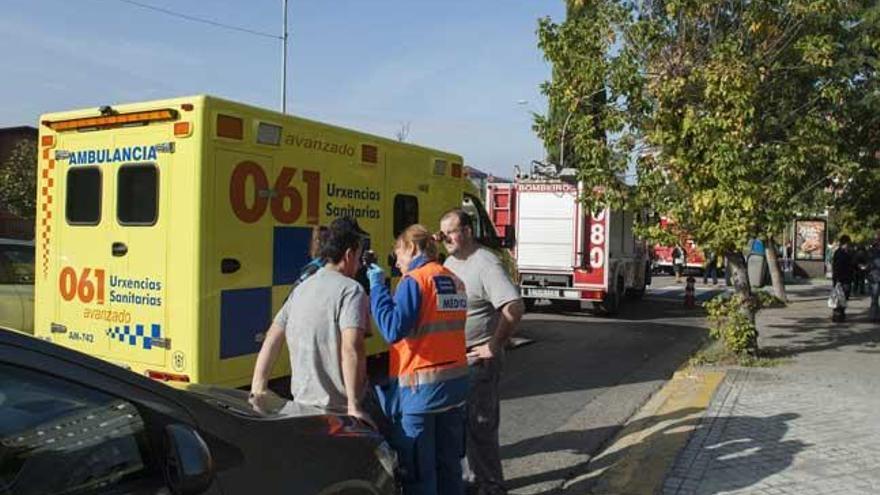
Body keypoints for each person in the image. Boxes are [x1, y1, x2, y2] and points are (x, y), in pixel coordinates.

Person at [366, 224, 470, 495]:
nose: (397, 262)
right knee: (449, 466)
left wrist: (377, 287)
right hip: (455, 389)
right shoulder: (453, 280)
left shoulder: (414, 280)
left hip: (420, 393)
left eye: (398, 253)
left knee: (419, 473)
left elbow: (392, 328)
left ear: (412, 248)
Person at [250, 217, 372, 423]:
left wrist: (257, 388)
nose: (360, 265)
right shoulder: (351, 290)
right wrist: (354, 406)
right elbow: (352, 347)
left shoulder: (301, 288)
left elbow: (272, 338)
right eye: (359, 257)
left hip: (302, 406)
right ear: (349, 254)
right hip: (338, 410)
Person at [439, 209, 524, 495]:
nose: (445, 238)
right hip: (454, 359)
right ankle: (472, 483)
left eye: (451, 231)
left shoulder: (486, 263)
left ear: (467, 231)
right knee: (460, 429)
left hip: (479, 361)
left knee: (480, 428)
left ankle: (492, 487)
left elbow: (514, 308)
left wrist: (494, 344)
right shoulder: (450, 262)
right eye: (442, 233)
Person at [831, 235, 854, 322]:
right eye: (848, 243)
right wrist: (837, 280)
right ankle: (838, 316)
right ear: (845, 243)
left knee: (843, 297)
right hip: (841, 279)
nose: (849, 245)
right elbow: (837, 267)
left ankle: (840, 315)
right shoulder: (840, 253)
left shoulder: (844, 252)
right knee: (840, 298)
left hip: (844, 279)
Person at [868, 231, 880, 322]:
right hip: (875, 276)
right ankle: (874, 316)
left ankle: (874, 316)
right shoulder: (872, 250)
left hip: (874, 275)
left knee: (874, 298)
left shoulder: (872, 250)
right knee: (874, 298)